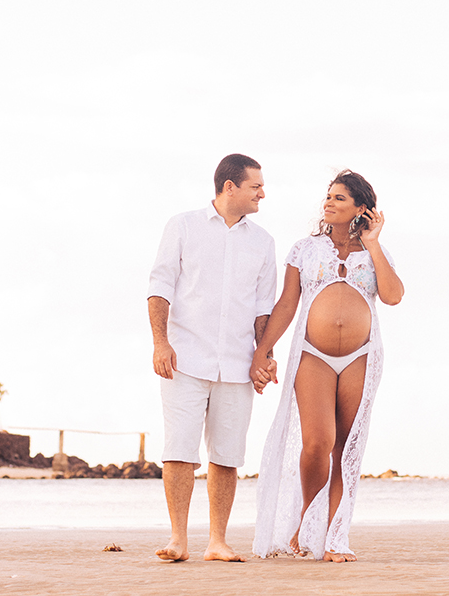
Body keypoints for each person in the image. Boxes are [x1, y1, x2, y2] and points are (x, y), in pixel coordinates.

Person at [251, 170, 404, 563]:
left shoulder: (375, 252)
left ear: (361, 208)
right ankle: (306, 518)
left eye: (339, 198)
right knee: (317, 442)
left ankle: (335, 537)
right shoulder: (305, 250)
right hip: (313, 355)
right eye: (328, 196)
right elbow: (287, 304)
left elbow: (393, 296)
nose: (328, 203)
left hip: (361, 357)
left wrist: (373, 243)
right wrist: (262, 351)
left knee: (346, 447)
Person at [147, 153, 277, 563]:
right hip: (183, 359)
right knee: (179, 450)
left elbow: (263, 309)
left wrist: (264, 357)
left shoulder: (263, 242)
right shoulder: (183, 226)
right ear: (229, 187)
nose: (262, 193)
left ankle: (217, 542)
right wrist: (160, 343)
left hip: (237, 365)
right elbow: (160, 287)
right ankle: (178, 540)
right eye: (256, 186)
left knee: (227, 456)